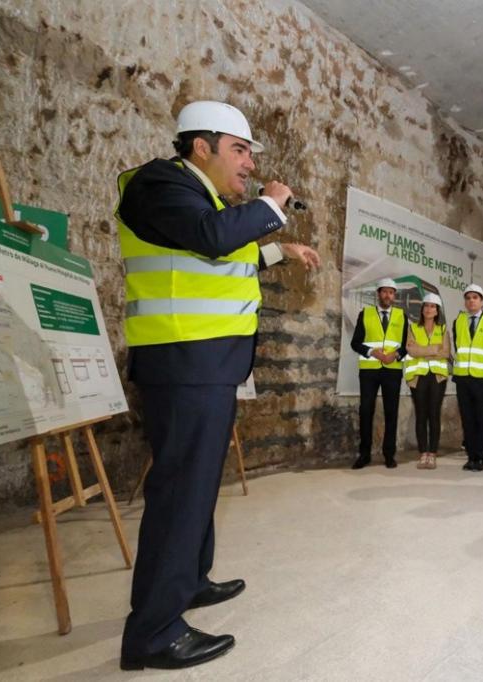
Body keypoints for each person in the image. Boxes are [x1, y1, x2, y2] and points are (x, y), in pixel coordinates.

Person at [116, 100, 320, 670]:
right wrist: (271, 206)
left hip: (205, 362)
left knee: (199, 483)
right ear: (200, 145)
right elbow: (211, 238)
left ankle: (190, 580)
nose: (250, 163)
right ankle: (154, 632)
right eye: (240, 149)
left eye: (251, 153)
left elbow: (224, 255)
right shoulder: (158, 184)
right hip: (185, 360)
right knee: (181, 489)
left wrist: (282, 249)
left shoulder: (195, 196)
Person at [350, 278, 408, 469]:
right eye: (384, 292)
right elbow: (355, 343)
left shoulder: (402, 316)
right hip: (369, 371)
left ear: (395, 296)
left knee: (391, 412)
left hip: (392, 370)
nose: (387, 295)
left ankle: (389, 454)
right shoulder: (365, 313)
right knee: (366, 411)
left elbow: (407, 345)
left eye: (391, 292)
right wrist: (372, 352)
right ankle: (364, 454)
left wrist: (396, 355)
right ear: (378, 294)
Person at [453, 284, 483, 471]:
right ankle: (471, 456)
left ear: (481, 301)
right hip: (463, 378)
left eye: (475, 297)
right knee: (467, 418)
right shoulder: (459, 320)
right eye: (468, 297)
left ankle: (481, 456)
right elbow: (458, 347)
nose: (471, 300)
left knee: (480, 418)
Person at [403, 293, 450, 470]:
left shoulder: (443, 329)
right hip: (418, 377)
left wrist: (421, 349)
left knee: (434, 414)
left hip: (437, 377)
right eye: (426, 306)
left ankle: (433, 454)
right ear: (422, 309)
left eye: (433, 306)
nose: (429, 309)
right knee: (421, 414)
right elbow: (411, 351)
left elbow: (445, 353)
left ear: (437, 311)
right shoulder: (413, 328)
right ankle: (423, 454)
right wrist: (432, 349)